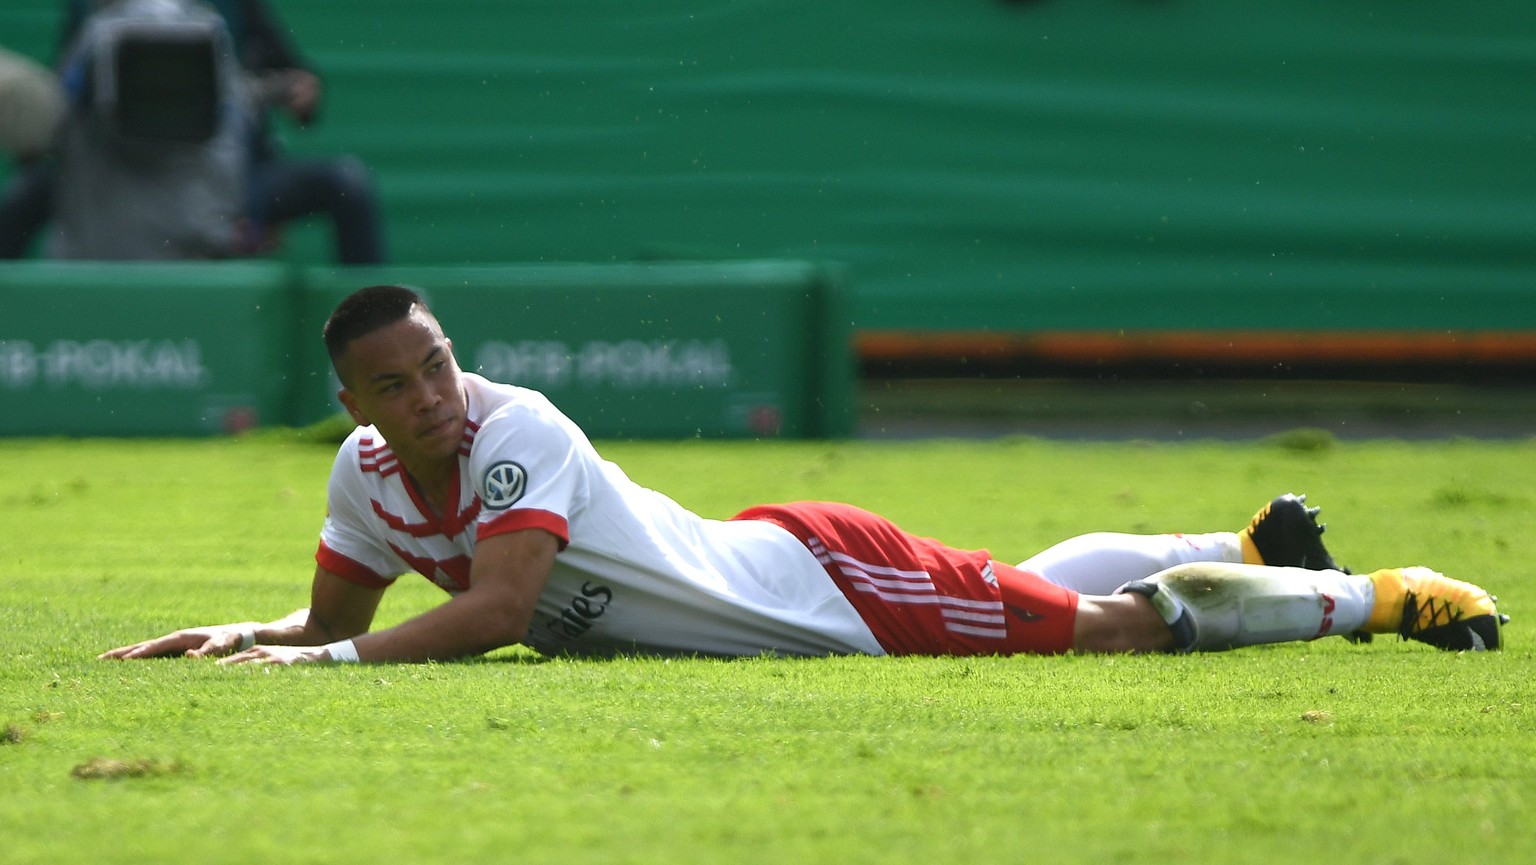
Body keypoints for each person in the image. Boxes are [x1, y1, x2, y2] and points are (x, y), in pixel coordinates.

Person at [100, 285, 1507, 665]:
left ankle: (1383, 596)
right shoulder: (363, 479)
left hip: (825, 592)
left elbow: (499, 609)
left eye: (441, 362)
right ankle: (1243, 546)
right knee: (1017, 585)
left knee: (1110, 632)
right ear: (352, 406)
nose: (433, 397)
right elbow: (338, 623)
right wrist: (251, 637)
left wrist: (320, 673)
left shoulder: (521, 423)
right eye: (399, 386)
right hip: (790, 566)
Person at [0, 0, 385, 264]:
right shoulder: (91, 24)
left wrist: (299, 95)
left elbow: (289, 81)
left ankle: (374, 330)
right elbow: (58, 117)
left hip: (226, 186)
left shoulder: (232, 10)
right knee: (25, 195)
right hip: (105, 178)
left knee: (345, 182)